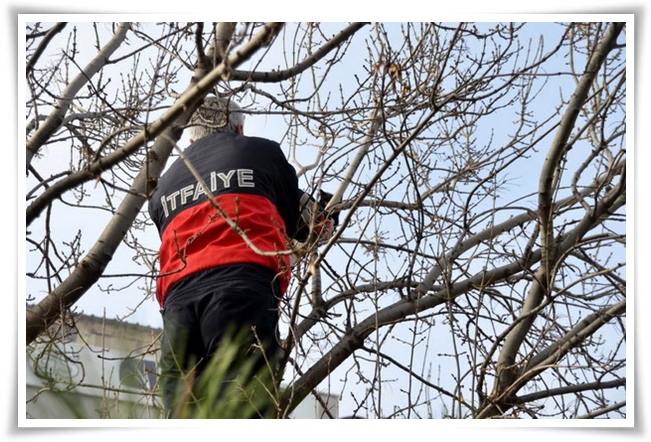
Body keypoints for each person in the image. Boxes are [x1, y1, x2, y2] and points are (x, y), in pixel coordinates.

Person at [148, 95, 335, 418]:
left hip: (177, 307)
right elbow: (310, 225)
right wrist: (330, 213)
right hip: (239, 291)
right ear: (238, 127)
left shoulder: (162, 187)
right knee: (243, 409)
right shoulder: (261, 153)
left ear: (191, 137)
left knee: (181, 418)